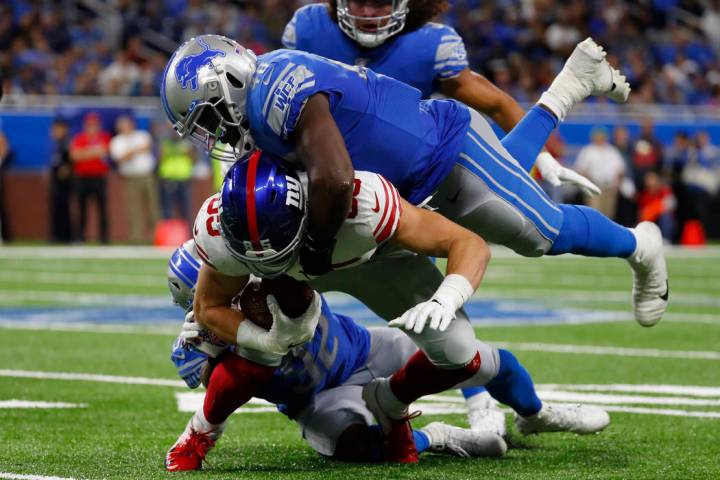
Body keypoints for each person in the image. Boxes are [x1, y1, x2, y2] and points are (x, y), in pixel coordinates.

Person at [160, 35, 669, 335]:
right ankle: (573, 81)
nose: (212, 135)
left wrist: (313, 250)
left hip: (445, 151)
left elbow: (334, 180)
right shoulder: (262, 98)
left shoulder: (274, 90)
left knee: (542, 233)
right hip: (413, 172)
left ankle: (640, 243)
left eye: (207, 118)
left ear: (226, 85)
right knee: (509, 188)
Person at [164, 241, 608, 470]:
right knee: (354, 447)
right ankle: (437, 436)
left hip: (366, 348)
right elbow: (222, 390)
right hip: (317, 401)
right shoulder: (200, 347)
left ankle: (532, 411)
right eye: (221, 294)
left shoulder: (273, 272)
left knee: (478, 358)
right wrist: (219, 350)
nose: (238, 294)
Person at [109, 115, 160, 243]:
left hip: (147, 176)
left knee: (153, 207)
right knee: (134, 209)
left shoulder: (142, 135)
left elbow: (146, 147)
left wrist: (129, 152)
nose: (125, 127)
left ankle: (155, 236)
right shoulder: (116, 141)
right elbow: (120, 158)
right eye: (122, 126)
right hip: (130, 178)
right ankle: (136, 237)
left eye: (126, 124)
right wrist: (136, 151)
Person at [69, 111, 110, 243]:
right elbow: (74, 156)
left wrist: (85, 153)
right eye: (89, 125)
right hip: (82, 177)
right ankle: (80, 237)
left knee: (102, 208)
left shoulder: (104, 137)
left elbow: (105, 150)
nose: (92, 127)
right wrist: (94, 152)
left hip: (99, 177)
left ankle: (104, 238)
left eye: (94, 125)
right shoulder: (80, 138)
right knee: (81, 209)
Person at [574, 127, 626, 219]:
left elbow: (620, 170)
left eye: (602, 137)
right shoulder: (588, 151)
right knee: (595, 214)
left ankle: (606, 233)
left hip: (609, 188)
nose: (600, 139)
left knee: (609, 214)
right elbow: (580, 169)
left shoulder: (612, 151)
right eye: (598, 137)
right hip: (594, 187)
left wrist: (617, 184)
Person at [157, 122, 196, 227]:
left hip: (183, 178)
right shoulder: (164, 142)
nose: (175, 132)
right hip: (168, 179)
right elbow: (159, 159)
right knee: (167, 210)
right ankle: (167, 236)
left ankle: (189, 234)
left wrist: (188, 151)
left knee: (186, 209)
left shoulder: (187, 143)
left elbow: (194, 159)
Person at [48, 118, 74, 243]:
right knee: (56, 208)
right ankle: (57, 235)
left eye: (57, 129)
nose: (53, 131)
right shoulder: (57, 144)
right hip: (57, 181)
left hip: (64, 182)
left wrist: (65, 169)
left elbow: (69, 161)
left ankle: (65, 236)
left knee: (63, 208)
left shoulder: (66, 143)